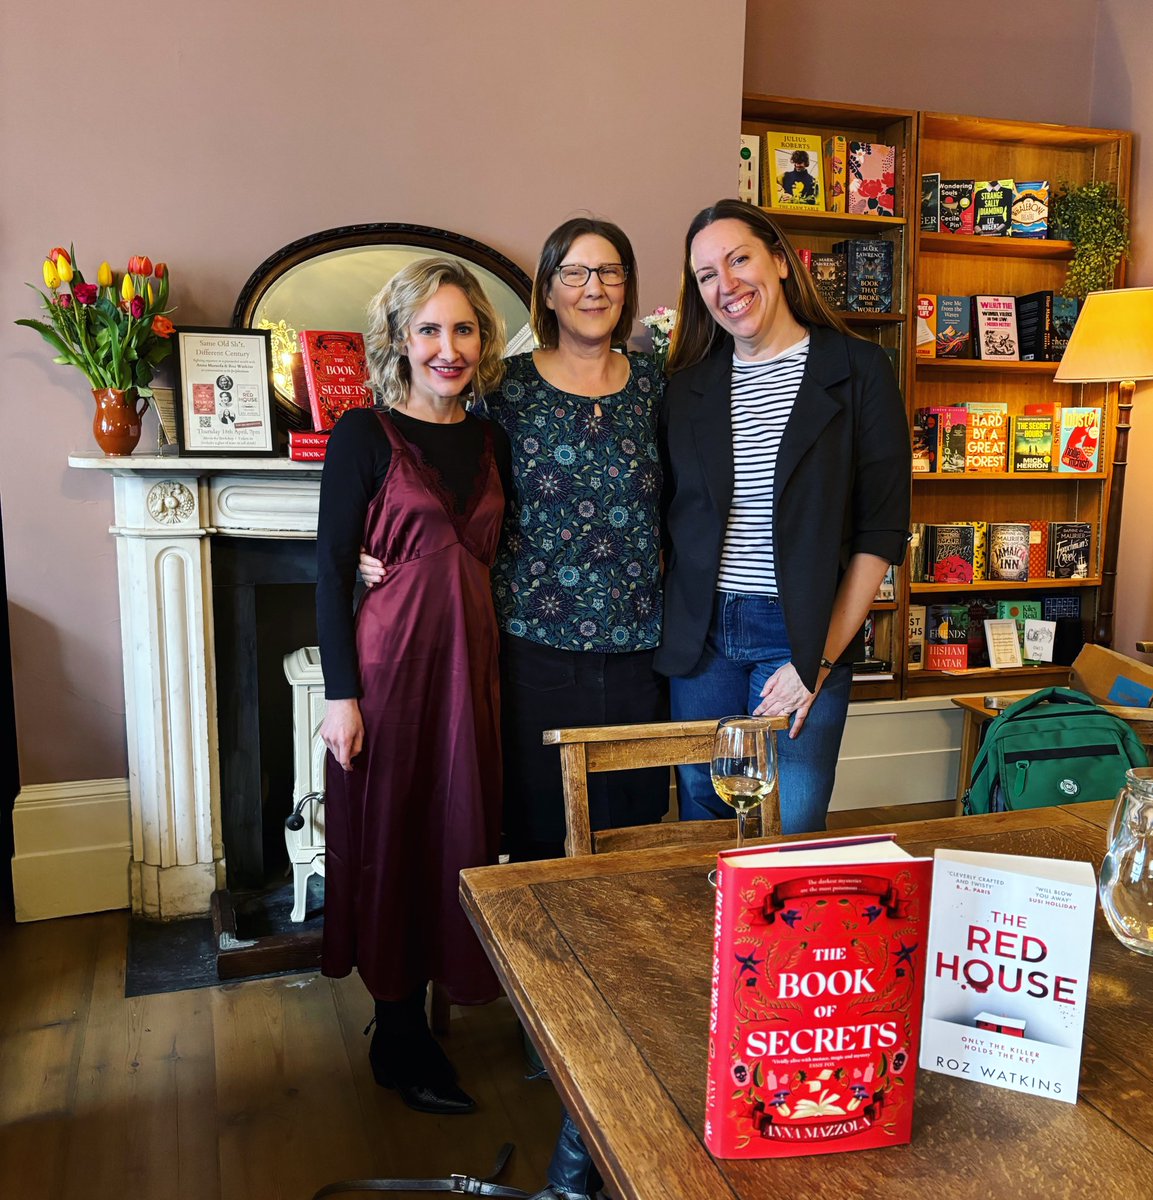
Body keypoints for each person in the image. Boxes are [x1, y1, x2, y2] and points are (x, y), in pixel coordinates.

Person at [362, 218, 667, 861]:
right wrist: (381, 549)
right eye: (574, 273)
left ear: (628, 287)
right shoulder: (506, 387)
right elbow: (436, 468)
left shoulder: (656, 385)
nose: (594, 287)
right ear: (547, 292)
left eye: (610, 271)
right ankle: (536, 964)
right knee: (536, 833)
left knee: (634, 829)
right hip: (532, 647)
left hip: (641, 647)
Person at [315, 257, 513, 1116]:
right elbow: (325, 570)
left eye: (463, 329)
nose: (448, 347)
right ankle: (395, 1033)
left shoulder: (493, 437)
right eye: (429, 329)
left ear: (482, 340)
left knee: (458, 832)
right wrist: (340, 695)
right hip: (391, 672)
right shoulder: (363, 434)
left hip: (473, 670)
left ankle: (432, 1006)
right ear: (400, 339)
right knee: (393, 836)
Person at [657, 199, 911, 833]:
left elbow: (879, 533)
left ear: (780, 260)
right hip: (702, 641)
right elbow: (663, 514)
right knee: (703, 825)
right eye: (706, 274)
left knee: (791, 828)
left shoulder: (858, 370)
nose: (726, 285)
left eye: (739, 259)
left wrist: (817, 660)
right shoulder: (687, 385)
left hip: (800, 634)